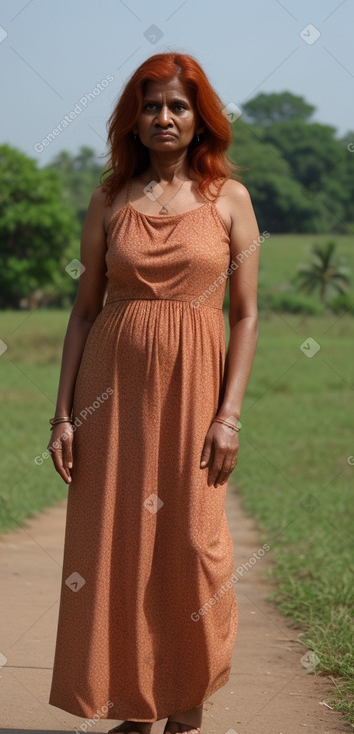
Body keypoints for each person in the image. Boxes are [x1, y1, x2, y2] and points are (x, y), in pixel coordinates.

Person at [48, 52, 260, 734]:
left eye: (176, 105)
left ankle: (186, 705)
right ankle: (134, 710)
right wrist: (63, 416)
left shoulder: (227, 198)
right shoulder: (108, 200)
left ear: (200, 119)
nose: (163, 117)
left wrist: (228, 415)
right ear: (132, 122)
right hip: (109, 395)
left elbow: (246, 313)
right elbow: (83, 310)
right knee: (117, 544)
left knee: (194, 545)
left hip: (197, 396)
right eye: (150, 106)